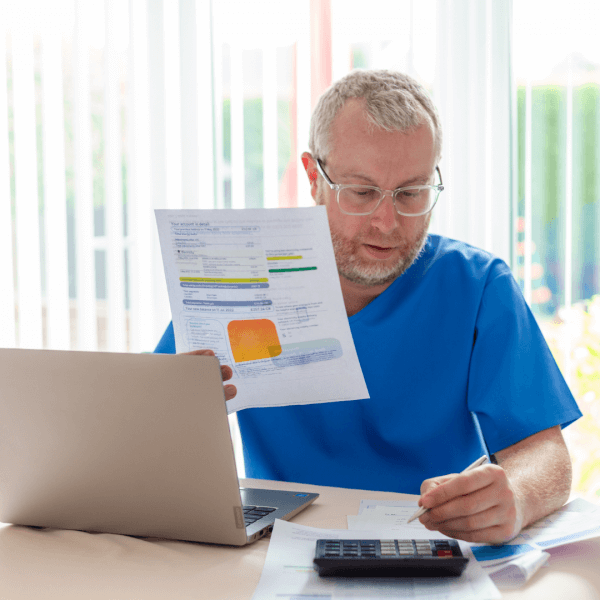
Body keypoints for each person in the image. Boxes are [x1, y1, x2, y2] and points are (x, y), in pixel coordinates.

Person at [155, 69, 582, 544]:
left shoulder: (476, 286)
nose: (387, 221)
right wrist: (172, 411)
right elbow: (138, 432)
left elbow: (545, 451)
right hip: (274, 549)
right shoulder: (237, 282)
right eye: (361, 192)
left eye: (411, 192)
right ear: (314, 177)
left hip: (430, 547)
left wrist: (518, 497)